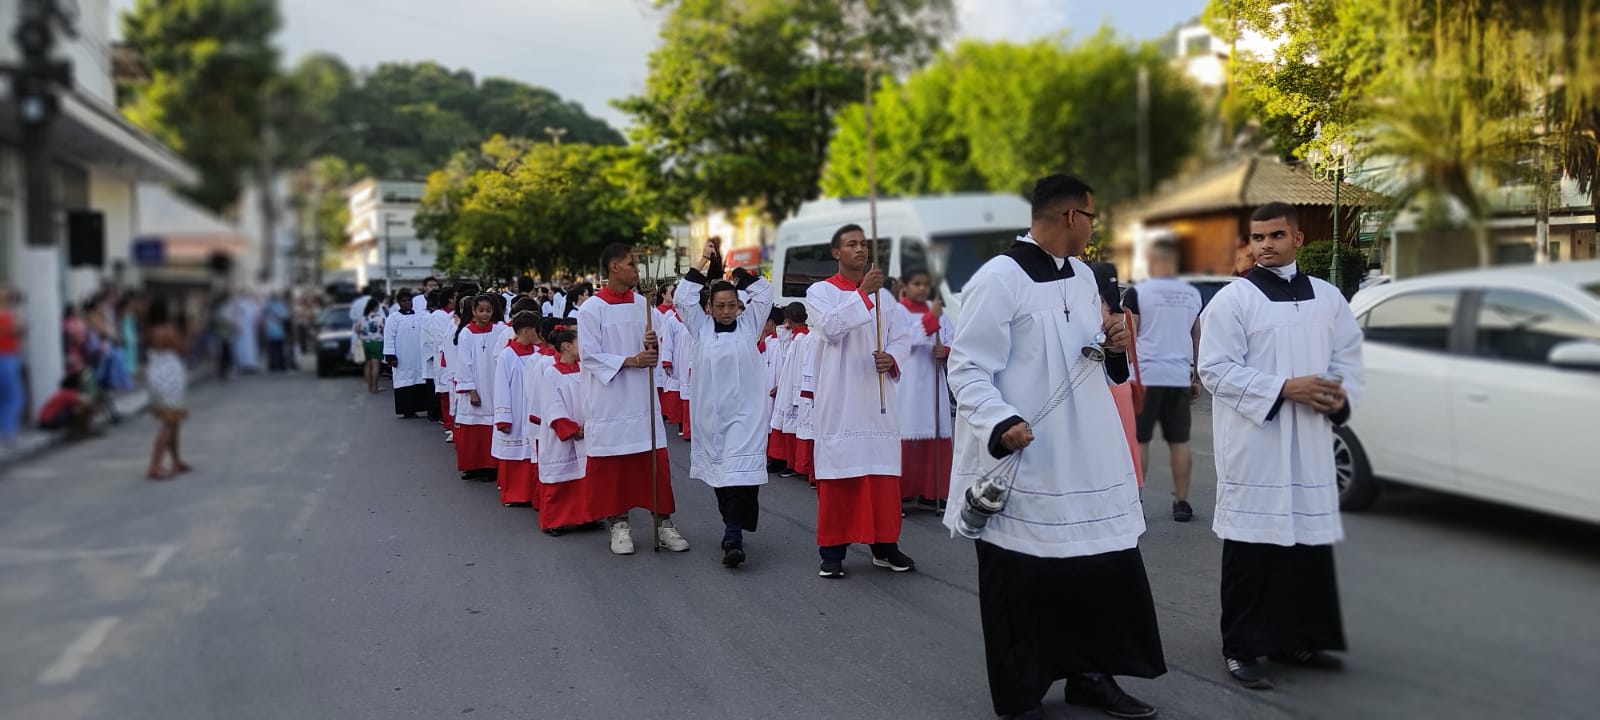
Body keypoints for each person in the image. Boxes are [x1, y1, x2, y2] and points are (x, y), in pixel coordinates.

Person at [943, 173, 1165, 720]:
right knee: (1023, 581)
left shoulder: (1086, 278)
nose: (1093, 227)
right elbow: (967, 367)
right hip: (1029, 455)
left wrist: (1114, 344)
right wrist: (1000, 422)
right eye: (1092, 217)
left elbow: (1086, 355)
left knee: (1097, 570)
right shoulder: (999, 279)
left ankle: (1092, 676)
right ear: (1072, 217)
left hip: (1087, 452)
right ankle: (1021, 695)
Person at [1198, 201, 1364, 690]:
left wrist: (1336, 394)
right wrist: (1285, 387)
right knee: (1253, 548)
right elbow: (1214, 370)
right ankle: (1242, 646)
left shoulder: (1329, 297)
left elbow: (1347, 357)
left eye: (1275, 236)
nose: (1265, 245)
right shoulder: (1234, 300)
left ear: (1298, 240)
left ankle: (1297, 637)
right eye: (1257, 237)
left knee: (1304, 545)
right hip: (1258, 440)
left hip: (1310, 438)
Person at [806, 223, 915, 579]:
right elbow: (831, 330)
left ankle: (884, 546)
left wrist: (893, 358)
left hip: (877, 398)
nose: (860, 250)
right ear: (835, 252)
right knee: (841, 475)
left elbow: (903, 337)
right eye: (851, 244)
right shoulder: (819, 293)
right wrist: (864, 295)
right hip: (840, 398)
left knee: (881, 476)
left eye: (863, 244)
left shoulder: (888, 299)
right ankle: (833, 551)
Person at [578, 243, 689, 555]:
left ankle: (663, 523)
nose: (636, 271)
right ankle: (619, 524)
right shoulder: (591, 310)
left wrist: (652, 343)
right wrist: (632, 360)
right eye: (630, 264)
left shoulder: (644, 305)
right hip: (609, 400)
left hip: (642, 399)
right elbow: (589, 356)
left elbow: (665, 338)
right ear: (614, 267)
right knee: (614, 467)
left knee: (653, 463)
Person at [675, 240, 774, 568]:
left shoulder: (750, 327)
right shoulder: (700, 329)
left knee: (742, 478)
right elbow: (683, 297)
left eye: (733, 305)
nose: (728, 311)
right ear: (709, 309)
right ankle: (732, 528)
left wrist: (737, 271)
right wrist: (703, 261)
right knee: (723, 477)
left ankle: (733, 535)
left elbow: (765, 293)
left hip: (747, 416)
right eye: (721, 306)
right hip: (712, 418)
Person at [1123, 241, 1204, 522]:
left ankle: (1136, 501)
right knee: (1179, 441)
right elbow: (1196, 335)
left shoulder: (1138, 293)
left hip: (1145, 377)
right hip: (1178, 376)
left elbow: (1129, 332)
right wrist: (1195, 374)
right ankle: (1182, 502)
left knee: (1140, 440)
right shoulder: (1192, 295)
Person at [895, 269, 954, 510]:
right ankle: (901, 492)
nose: (921, 288)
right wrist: (930, 320)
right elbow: (906, 339)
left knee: (935, 431)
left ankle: (933, 492)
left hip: (932, 381)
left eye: (925, 284)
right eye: (916, 283)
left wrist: (946, 351)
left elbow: (953, 339)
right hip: (906, 383)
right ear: (906, 286)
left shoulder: (939, 312)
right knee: (905, 431)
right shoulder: (897, 312)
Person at [537, 325, 597, 536]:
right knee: (560, 479)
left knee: (585, 477)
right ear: (566, 346)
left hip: (586, 430)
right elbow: (551, 405)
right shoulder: (551, 373)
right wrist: (570, 429)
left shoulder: (585, 369)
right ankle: (555, 521)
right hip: (562, 435)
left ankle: (587, 516)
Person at [493, 311, 543, 508]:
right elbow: (501, 387)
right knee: (516, 453)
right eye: (536, 330)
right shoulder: (507, 355)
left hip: (532, 410)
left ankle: (533, 494)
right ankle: (514, 494)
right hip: (515, 409)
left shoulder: (538, 353)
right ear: (526, 331)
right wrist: (503, 417)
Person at [451, 295, 504, 482]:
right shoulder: (466, 333)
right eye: (480, 310)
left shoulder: (499, 330)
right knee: (472, 427)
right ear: (473, 311)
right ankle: (471, 466)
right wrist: (471, 390)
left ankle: (490, 467)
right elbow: (464, 363)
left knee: (491, 426)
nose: (484, 314)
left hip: (494, 384)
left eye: (488, 310)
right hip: (475, 386)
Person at [145, 301, 192, 480]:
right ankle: (155, 464)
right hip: (169, 375)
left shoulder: (149, 330)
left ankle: (176, 459)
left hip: (157, 372)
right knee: (170, 422)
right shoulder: (167, 330)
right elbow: (183, 348)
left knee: (173, 421)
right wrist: (191, 333)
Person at [772, 303, 814, 482]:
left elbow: (797, 369)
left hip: (793, 389)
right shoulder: (798, 337)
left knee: (792, 428)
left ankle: (793, 464)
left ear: (789, 319)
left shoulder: (801, 340)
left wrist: (795, 393)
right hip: (789, 387)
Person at [383, 289, 432, 418]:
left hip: (418, 355)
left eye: (409, 300)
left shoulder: (420, 316)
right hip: (402, 356)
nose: (407, 303)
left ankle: (420, 407)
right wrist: (390, 356)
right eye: (404, 301)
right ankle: (407, 410)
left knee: (419, 380)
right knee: (404, 381)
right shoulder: (393, 318)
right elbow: (388, 338)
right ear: (399, 303)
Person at [0, 286, 26, 445]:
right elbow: (11, 330)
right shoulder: (5, 314)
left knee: (9, 395)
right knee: (15, 395)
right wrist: (16, 329)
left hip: (11, 355)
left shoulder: (10, 313)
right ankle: (7, 431)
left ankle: (7, 430)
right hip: (5, 356)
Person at [37, 374, 95, 441]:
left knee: (75, 408)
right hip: (49, 422)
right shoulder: (67, 393)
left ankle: (76, 431)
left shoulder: (61, 393)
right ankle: (79, 431)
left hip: (44, 422)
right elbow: (85, 401)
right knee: (80, 409)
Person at [356, 298, 386, 394]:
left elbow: (357, 329)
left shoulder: (362, 317)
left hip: (365, 342)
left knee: (367, 365)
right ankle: (375, 387)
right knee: (375, 366)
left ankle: (369, 387)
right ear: (376, 307)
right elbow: (384, 330)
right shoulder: (380, 318)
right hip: (376, 342)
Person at [262, 293, 291, 372]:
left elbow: (285, 316)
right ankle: (278, 365)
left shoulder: (269, 306)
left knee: (274, 350)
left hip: (273, 331)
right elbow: (286, 316)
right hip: (276, 331)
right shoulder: (278, 305)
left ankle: (275, 365)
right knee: (277, 349)